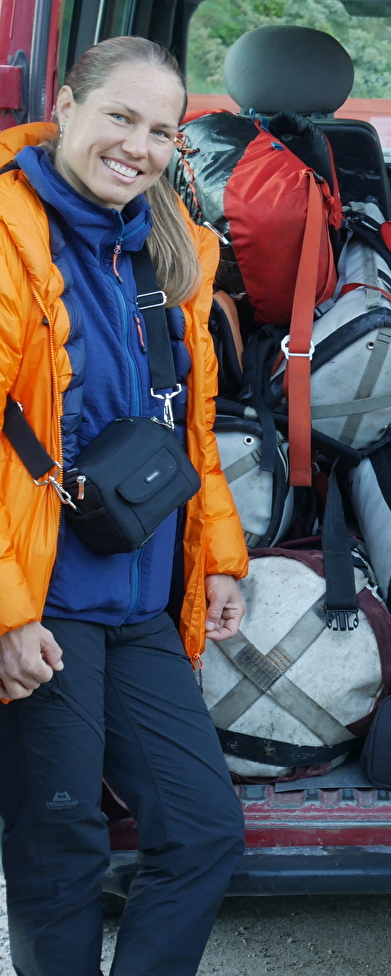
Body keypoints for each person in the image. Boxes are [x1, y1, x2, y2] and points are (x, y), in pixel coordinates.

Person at [0, 36, 249, 976]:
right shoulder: (10, 233)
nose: (137, 146)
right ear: (65, 104)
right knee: (59, 854)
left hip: (143, 598)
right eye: (119, 117)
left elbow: (189, 426)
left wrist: (218, 554)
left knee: (203, 831)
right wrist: (7, 616)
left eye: (160, 129)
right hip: (44, 605)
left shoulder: (161, 237)